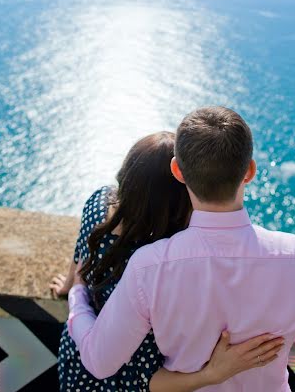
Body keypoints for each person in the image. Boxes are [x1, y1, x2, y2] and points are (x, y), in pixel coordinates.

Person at [68, 107, 295, 391]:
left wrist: (77, 296)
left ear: (177, 170)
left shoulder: (149, 266)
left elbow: (99, 362)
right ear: (249, 171)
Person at [52, 131, 283, 391]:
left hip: (75, 362)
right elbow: (143, 380)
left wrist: (70, 285)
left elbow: (83, 250)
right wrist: (212, 374)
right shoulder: (158, 261)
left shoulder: (98, 203)